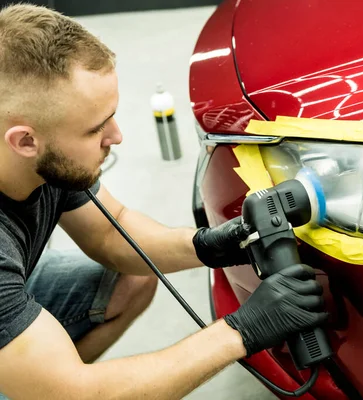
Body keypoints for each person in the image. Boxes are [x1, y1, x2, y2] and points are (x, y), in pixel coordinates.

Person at [0, 4, 328, 399]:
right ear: (24, 141)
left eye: (111, 117)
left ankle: (30, 381)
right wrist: (243, 330)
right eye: (94, 130)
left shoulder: (41, 153)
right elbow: (81, 393)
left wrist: (205, 246)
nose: (117, 136)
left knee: (133, 278)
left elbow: (110, 232)